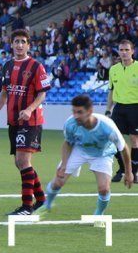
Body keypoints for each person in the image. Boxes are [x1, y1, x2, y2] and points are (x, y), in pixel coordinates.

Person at [36, 95, 133, 218]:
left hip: (102, 154)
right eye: (74, 111)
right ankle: (47, 205)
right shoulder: (70, 124)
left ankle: (98, 214)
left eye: (80, 112)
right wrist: (64, 165)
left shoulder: (107, 127)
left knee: (104, 189)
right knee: (57, 182)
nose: (76, 115)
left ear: (90, 111)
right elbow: (68, 143)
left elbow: (124, 148)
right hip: (80, 150)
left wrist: (129, 172)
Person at [0, 29, 52, 215]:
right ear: (11, 44)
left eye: (23, 41)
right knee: (20, 163)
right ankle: (41, 199)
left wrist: (30, 109)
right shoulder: (7, 66)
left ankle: (26, 206)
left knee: (22, 160)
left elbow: (43, 93)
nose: (19, 45)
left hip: (31, 121)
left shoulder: (36, 66)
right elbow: (5, 92)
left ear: (28, 45)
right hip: (14, 120)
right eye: (16, 41)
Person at [107, 39, 138, 183]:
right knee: (113, 139)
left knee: (134, 140)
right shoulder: (113, 69)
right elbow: (111, 91)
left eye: (127, 50)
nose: (124, 53)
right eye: (121, 50)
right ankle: (123, 169)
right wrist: (108, 109)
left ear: (132, 51)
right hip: (119, 108)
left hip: (135, 107)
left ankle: (134, 172)